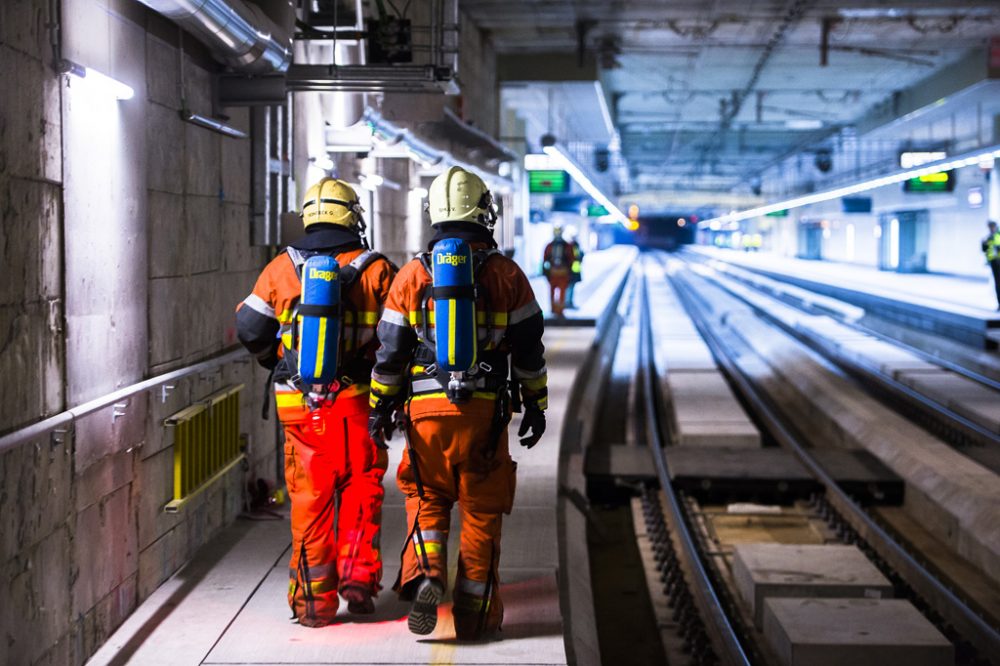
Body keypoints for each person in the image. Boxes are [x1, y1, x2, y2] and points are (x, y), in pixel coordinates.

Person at [368, 166, 548, 640]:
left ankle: (427, 572)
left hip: (425, 416)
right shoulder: (508, 274)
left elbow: (389, 352)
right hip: (485, 415)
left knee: (426, 498)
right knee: (482, 512)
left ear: (435, 213)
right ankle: (474, 617)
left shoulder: (411, 274)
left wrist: (380, 407)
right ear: (485, 212)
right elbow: (530, 348)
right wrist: (536, 404)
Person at [235, 177, 396, 627]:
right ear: (353, 216)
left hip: (299, 404)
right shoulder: (376, 269)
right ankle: (359, 582)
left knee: (310, 496)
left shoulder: (281, 269)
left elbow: (250, 328)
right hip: (357, 402)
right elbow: (399, 336)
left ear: (308, 215)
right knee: (362, 486)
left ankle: (311, 602)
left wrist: (278, 362)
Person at [542, 226, 574, 317]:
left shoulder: (551, 246)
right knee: (559, 291)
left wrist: (545, 272)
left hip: (556, 272)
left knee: (556, 291)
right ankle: (558, 310)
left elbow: (545, 260)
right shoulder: (566, 246)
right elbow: (571, 259)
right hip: (560, 272)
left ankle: (556, 309)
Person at [983, 220, 1000, 310]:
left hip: (998, 261)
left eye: (992, 227)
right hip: (994, 262)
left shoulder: (998, 236)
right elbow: (986, 250)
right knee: (997, 284)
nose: (990, 229)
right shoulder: (988, 237)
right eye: (989, 227)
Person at [565, 230, 584, 309]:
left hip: (574, 269)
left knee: (571, 286)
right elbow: (576, 256)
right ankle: (568, 302)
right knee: (570, 286)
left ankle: (568, 302)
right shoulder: (573, 246)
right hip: (572, 270)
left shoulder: (572, 245)